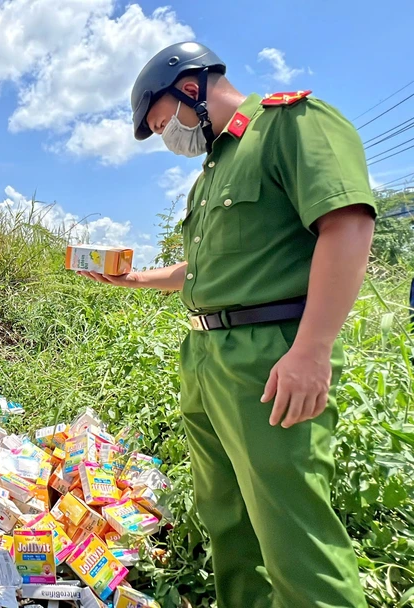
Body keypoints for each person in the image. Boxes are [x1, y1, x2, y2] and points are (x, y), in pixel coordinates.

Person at [79, 42, 376, 608]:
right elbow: (209, 268)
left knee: (293, 532)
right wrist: (138, 280)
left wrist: (313, 349)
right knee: (229, 524)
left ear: (190, 87)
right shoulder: (211, 174)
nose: (171, 136)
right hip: (208, 359)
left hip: (270, 355)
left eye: (166, 122)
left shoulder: (290, 124)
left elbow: (347, 224)